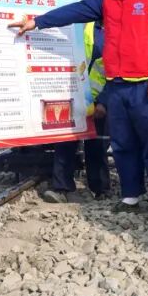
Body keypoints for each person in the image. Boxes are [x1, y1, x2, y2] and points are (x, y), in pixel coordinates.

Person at [9, 0, 148, 218]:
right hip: (117, 87)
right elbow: (75, 11)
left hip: (146, 86)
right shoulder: (108, 0)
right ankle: (130, 196)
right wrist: (37, 22)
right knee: (123, 144)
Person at [44, 18, 111, 202]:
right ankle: (61, 188)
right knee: (66, 142)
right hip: (72, 94)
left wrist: (104, 102)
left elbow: (116, 74)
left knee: (97, 145)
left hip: (98, 100)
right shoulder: (82, 28)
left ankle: (101, 190)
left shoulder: (119, 32)